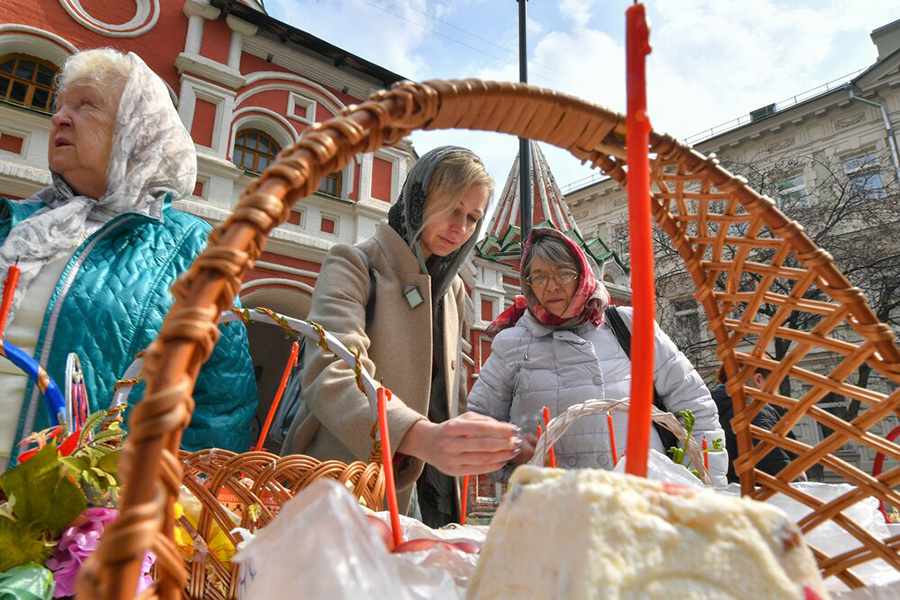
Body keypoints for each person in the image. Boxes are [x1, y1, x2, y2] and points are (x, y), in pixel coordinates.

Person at [0, 48, 258, 467]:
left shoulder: (194, 250)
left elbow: (220, 407)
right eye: (60, 106)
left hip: (80, 515)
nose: (59, 118)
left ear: (139, 131)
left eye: (86, 106)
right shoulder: (15, 223)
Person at [283, 146, 519, 526]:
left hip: (431, 498)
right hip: (349, 486)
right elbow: (330, 375)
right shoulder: (354, 264)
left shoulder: (454, 288)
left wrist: (496, 442)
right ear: (419, 198)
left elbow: (449, 396)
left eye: (473, 217)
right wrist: (420, 436)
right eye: (451, 209)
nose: (461, 228)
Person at [468, 227, 728, 484]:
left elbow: (694, 403)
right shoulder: (512, 343)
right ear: (529, 285)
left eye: (563, 273)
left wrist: (702, 485)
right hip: (554, 505)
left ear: (582, 275)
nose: (551, 286)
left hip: (641, 498)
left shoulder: (628, 326)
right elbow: (477, 422)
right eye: (539, 277)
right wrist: (514, 449)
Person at [712, 366, 804, 483]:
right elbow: (774, 466)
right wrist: (798, 480)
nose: (776, 392)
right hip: (762, 496)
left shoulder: (712, 411)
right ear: (758, 380)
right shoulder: (755, 411)